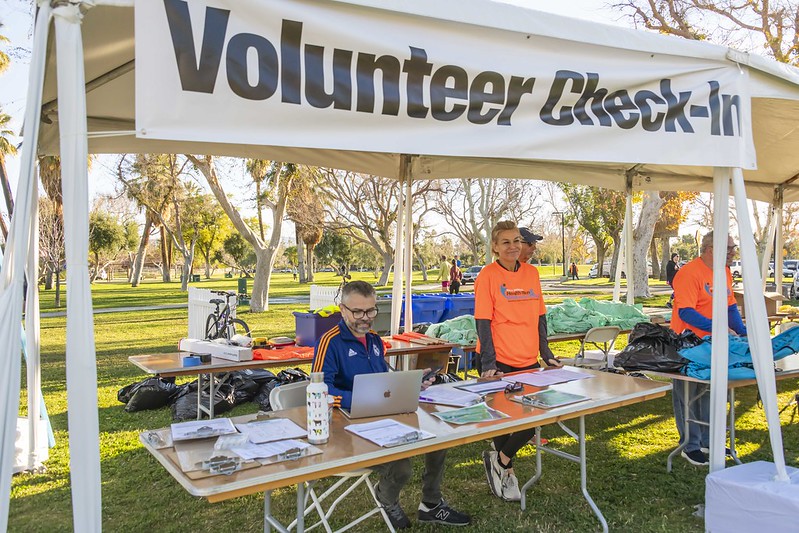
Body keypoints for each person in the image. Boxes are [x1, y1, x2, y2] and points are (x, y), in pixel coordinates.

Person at [312, 281, 470, 528]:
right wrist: (362, 400)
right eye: (357, 312)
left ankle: (431, 503)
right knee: (401, 466)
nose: (365, 318)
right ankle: (387, 500)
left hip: (381, 416)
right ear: (342, 309)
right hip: (345, 427)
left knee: (440, 437)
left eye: (371, 311)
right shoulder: (330, 342)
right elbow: (321, 391)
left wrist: (411, 386)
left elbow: (382, 382)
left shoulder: (375, 340)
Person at [475, 220, 562, 502]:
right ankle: (508, 470)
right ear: (494, 247)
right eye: (506, 242)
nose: (512, 247)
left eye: (516, 241)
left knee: (531, 417)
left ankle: (498, 461)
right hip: (498, 360)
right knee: (503, 421)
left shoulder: (532, 274)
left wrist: (546, 353)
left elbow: (540, 315)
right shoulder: (487, 276)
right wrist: (489, 362)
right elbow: (483, 321)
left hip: (528, 358)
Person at [670, 232, 745, 466]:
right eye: (730, 248)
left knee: (710, 391)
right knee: (688, 394)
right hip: (687, 341)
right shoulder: (688, 273)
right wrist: (719, 327)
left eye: (734, 248)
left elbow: (730, 306)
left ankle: (708, 440)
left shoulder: (724, 271)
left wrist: (743, 332)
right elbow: (686, 312)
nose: (734, 252)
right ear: (711, 249)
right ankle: (689, 445)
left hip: (714, 342)